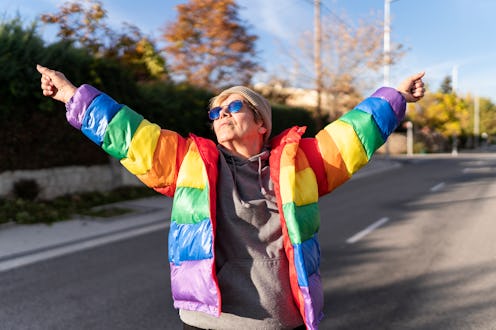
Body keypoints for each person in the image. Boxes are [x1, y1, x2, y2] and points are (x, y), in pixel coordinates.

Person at [37, 64, 425, 330]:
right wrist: (72, 94)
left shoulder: (298, 164)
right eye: (215, 110)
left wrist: (395, 98)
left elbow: (352, 135)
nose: (221, 113)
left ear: (260, 122)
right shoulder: (190, 162)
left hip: (280, 321)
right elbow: (129, 134)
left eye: (233, 105)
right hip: (207, 321)